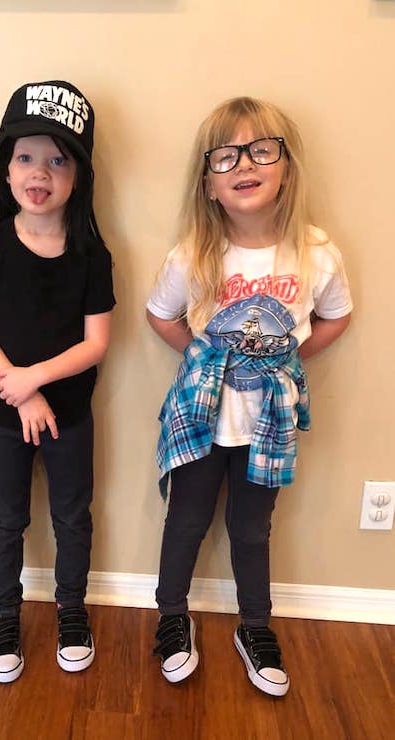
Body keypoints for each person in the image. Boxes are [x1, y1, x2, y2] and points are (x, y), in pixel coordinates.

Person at [146, 96, 352, 695]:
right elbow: (160, 317)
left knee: (252, 528)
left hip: (269, 421)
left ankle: (254, 625)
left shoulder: (316, 254)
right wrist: (208, 358)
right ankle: (171, 616)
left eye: (262, 149)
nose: (245, 163)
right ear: (209, 183)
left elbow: (336, 318)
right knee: (184, 521)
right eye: (226, 155)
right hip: (200, 416)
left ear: (285, 168)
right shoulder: (192, 256)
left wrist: (285, 362)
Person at [0, 80, 115, 683]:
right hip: (5, 415)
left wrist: (35, 384)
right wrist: (18, 392)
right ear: (5, 169)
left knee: (74, 516)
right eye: (25, 156)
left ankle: (71, 611)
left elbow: (96, 342)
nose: (39, 172)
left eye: (57, 159)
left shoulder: (92, 255)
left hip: (68, 415)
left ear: (78, 177)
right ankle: (4, 616)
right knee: (7, 520)